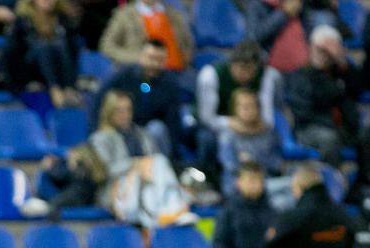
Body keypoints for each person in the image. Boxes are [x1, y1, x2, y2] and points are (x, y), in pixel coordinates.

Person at [89, 90, 192, 228]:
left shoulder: (142, 134)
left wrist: (143, 167)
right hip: (117, 190)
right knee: (153, 165)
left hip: (148, 184)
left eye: (127, 110)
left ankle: (170, 210)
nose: (124, 115)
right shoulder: (100, 138)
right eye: (119, 111)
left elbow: (154, 164)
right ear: (109, 112)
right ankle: (170, 211)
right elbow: (105, 171)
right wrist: (134, 165)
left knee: (160, 160)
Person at [196, 39, 282, 179]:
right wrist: (232, 123)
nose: (244, 74)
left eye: (249, 69)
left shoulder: (267, 76)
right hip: (219, 123)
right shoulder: (210, 75)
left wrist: (257, 125)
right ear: (231, 64)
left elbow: (268, 117)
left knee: (271, 135)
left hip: (252, 122)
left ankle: (264, 176)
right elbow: (207, 117)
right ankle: (210, 178)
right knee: (206, 138)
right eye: (240, 68)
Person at [285, 25, 361, 167]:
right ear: (311, 48)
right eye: (320, 50)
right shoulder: (302, 74)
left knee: (365, 136)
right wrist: (318, 69)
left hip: (341, 128)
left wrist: (343, 63)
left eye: (328, 51)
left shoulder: (341, 72)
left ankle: (362, 183)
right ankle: (329, 183)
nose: (324, 54)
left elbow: (357, 90)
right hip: (310, 128)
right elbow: (304, 111)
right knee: (330, 139)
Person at [93, 40, 181, 157]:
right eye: (151, 58)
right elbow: (98, 99)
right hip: (121, 129)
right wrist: (94, 130)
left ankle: (160, 168)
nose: (154, 64)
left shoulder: (170, 84)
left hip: (148, 135)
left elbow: (173, 123)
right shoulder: (123, 75)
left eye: (159, 60)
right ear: (141, 57)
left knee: (157, 128)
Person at [0, 0, 81, 108]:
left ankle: (68, 88)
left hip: (59, 71)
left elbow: (73, 52)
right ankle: (54, 89)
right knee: (42, 46)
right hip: (30, 71)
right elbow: (11, 55)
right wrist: (21, 84)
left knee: (60, 45)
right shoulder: (22, 21)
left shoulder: (63, 21)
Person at [217, 88, 283, 196]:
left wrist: (253, 159)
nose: (250, 111)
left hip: (265, 182)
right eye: (245, 107)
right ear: (235, 109)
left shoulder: (268, 132)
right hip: (236, 185)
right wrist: (246, 169)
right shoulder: (227, 134)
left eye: (253, 106)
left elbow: (277, 162)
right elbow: (228, 164)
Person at [98, 0, 192, 72]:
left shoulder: (174, 14)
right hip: (143, 74)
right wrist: (135, 58)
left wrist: (186, 59)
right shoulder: (125, 15)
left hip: (177, 71)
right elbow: (107, 46)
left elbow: (188, 44)